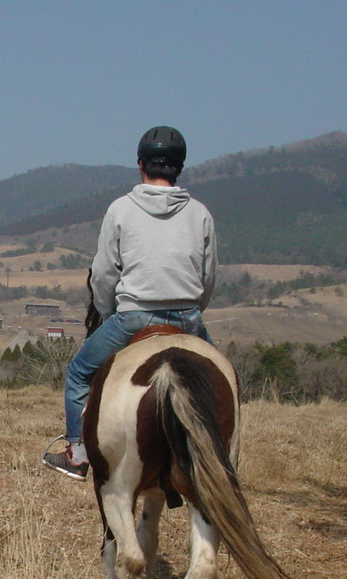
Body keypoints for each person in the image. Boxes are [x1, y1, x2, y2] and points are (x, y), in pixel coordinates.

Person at [42, 126, 217, 480]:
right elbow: (208, 277)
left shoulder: (120, 209)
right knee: (220, 380)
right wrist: (193, 311)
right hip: (188, 318)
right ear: (179, 167)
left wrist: (108, 314)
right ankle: (221, 452)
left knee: (78, 373)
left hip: (134, 317)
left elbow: (104, 274)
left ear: (140, 165)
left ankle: (77, 454)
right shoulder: (200, 213)